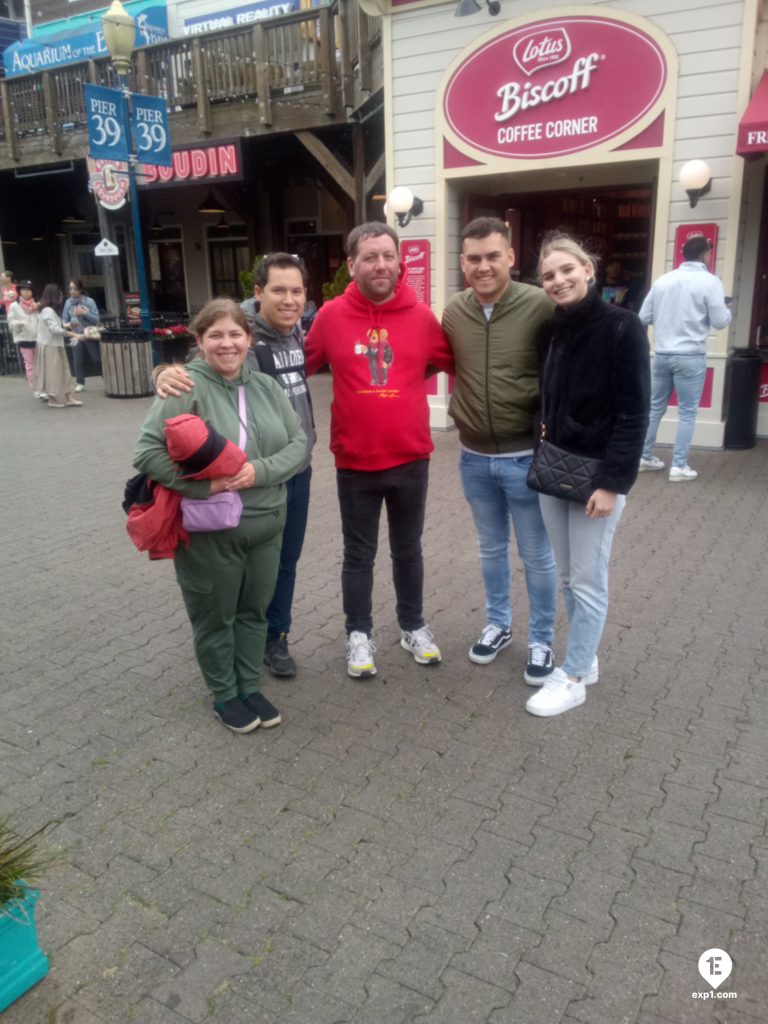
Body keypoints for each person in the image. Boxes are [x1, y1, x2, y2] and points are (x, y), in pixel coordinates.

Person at [134, 299, 307, 734]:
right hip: (211, 529)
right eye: (216, 335)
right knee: (215, 616)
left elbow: (298, 443)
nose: (227, 344)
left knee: (254, 612)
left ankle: (248, 686)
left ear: (250, 339)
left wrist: (258, 471)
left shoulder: (267, 387)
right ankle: (224, 695)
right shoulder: (185, 386)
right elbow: (148, 452)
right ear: (200, 341)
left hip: (268, 524)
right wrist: (204, 486)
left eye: (235, 335)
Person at [154, 253, 316, 679]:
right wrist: (162, 372)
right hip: (247, 482)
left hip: (295, 470)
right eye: (278, 290)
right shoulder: (244, 336)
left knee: (285, 561)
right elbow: (197, 367)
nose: (289, 299)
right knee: (246, 568)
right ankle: (247, 648)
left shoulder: (294, 331)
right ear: (257, 294)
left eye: (296, 291)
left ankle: (272, 636)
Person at [305, 221, 454, 678]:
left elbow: (453, 362)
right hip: (355, 462)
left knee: (408, 550)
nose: (381, 265)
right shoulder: (330, 317)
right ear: (351, 265)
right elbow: (293, 369)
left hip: (411, 458)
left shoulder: (422, 317)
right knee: (358, 554)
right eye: (369, 257)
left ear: (399, 261)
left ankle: (412, 625)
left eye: (388, 255)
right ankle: (359, 635)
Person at [525, 233, 649, 718]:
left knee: (588, 580)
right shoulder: (551, 331)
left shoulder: (623, 328)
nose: (558, 280)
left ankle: (573, 677)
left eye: (566, 270)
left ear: (588, 270)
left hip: (597, 476)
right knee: (569, 580)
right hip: (555, 468)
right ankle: (586, 659)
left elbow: (634, 414)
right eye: (549, 275)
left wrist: (614, 484)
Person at [441, 217, 558, 684]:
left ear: (511, 257)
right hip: (473, 456)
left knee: (536, 555)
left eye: (493, 256)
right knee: (490, 549)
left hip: (525, 457)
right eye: (474, 258)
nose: (483, 266)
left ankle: (543, 639)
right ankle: (499, 624)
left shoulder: (540, 305)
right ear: (463, 263)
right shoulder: (454, 311)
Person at [638, 236, 731, 481]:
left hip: (661, 354)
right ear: (706, 255)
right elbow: (721, 321)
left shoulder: (663, 281)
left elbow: (643, 316)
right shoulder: (711, 282)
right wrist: (727, 309)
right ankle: (679, 466)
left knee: (655, 407)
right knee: (687, 412)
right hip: (691, 354)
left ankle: (644, 457)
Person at [35, 283, 81, 408]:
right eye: (60, 295)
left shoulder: (47, 310)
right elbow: (54, 329)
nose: (62, 297)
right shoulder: (48, 310)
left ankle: (68, 397)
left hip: (54, 345)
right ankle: (52, 399)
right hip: (50, 346)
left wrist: (67, 326)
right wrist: (71, 333)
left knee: (63, 371)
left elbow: (56, 326)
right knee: (53, 373)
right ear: (54, 296)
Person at [7, 280, 44, 399]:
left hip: (38, 338)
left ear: (33, 291)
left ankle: (43, 387)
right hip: (24, 338)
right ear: (19, 291)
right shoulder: (14, 305)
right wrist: (19, 323)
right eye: (23, 290)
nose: (26, 292)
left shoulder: (37, 304)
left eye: (29, 290)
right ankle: (36, 389)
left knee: (40, 364)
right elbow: (10, 321)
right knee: (30, 365)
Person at [62, 278, 100, 392]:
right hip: (76, 334)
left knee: (96, 358)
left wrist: (85, 313)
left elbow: (96, 320)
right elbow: (64, 318)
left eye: (75, 289)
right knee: (77, 359)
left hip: (88, 333)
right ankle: (80, 382)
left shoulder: (89, 301)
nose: (72, 291)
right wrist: (67, 324)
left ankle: (107, 377)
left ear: (81, 289)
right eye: (70, 289)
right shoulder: (68, 302)